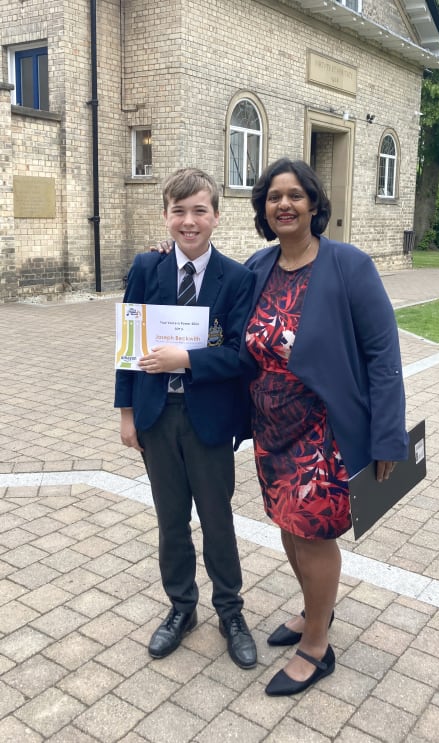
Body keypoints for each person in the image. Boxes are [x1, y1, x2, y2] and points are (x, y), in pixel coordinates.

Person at [239, 158, 408, 696]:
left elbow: (383, 353)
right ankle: (317, 611)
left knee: (312, 537)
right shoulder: (256, 267)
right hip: (272, 433)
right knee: (288, 530)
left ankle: (317, 645)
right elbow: (220, 315)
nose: (283, 205)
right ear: (264, 210)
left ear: (314, 204)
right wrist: (162, 264)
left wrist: (388, 437)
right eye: (273, 197)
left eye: (294, 195)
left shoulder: (348, 265)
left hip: (323, 435)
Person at [114, 168, 257, 670]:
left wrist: (189, 359)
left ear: (216, 216)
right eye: (179, 211)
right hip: (156, 416)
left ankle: (231, 612)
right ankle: (181, 608)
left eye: (199, 210)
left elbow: (242, 354)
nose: (189, 221)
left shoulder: (238, 279)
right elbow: (127, 348)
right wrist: (128, 414)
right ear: (166, 216)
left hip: (209, 419)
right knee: (170, 520)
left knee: (217, 520)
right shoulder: (145, 268)